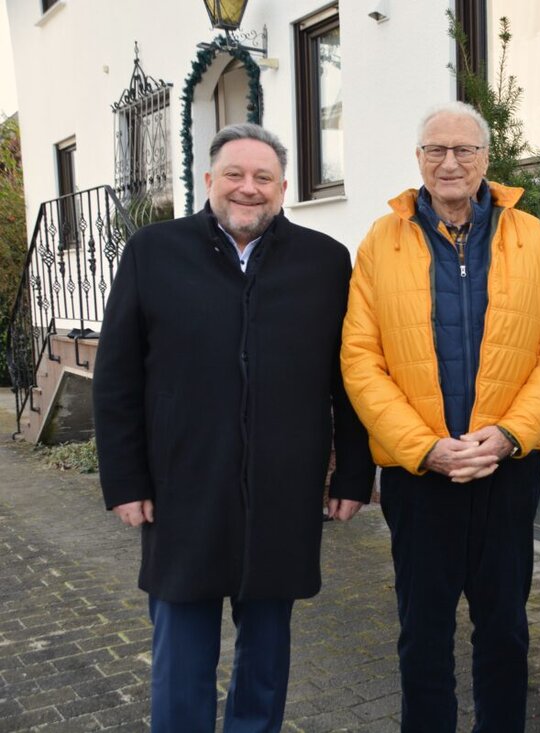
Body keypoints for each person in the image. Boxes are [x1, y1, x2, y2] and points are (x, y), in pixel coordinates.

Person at [92, 123, 374, 732]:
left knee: (267, 658)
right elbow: (116, 380)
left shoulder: (325, 261)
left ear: (283, 187)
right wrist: (123, 479)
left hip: (284, 490)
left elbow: (348, 377)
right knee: (181, 661)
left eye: (263, 177)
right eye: (235, 175)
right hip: (182, 488)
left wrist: (354, 471)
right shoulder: (153, 251)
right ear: (209, 180)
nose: (249, 189)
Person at [340, 101, 540, 732]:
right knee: (422, 632)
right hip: (421, 477)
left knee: (505, 628)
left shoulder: (530, 237)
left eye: (464, 150)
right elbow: (360, 358)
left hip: (505, 472)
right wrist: (423, 447)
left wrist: (508, 435)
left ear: (486, 157)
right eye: (435, 150)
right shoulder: (380, 241)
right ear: (418, 158)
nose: (449, 163)